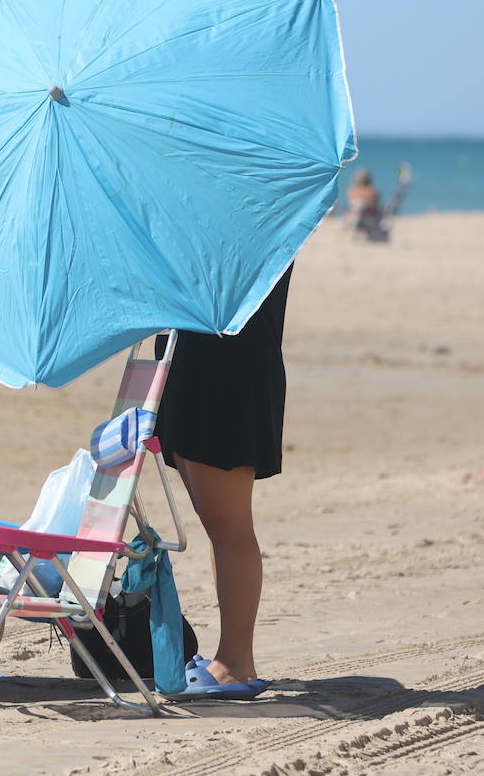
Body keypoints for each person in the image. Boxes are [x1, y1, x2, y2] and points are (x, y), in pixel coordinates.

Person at [149, 266, 293, 698]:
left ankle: (235, 664)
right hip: (195, 358)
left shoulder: (255, 205)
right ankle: (232, 659)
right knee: (220, 528)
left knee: (230, 528)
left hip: (225, 367)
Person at [345, 163, 412, 242]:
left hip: (355, 221)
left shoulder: (351, 192)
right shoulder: (372, 192)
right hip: (370, 222)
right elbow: (375, 209)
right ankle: (404, 183)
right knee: (392, 204)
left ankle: (404, 183)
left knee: (391, 205)